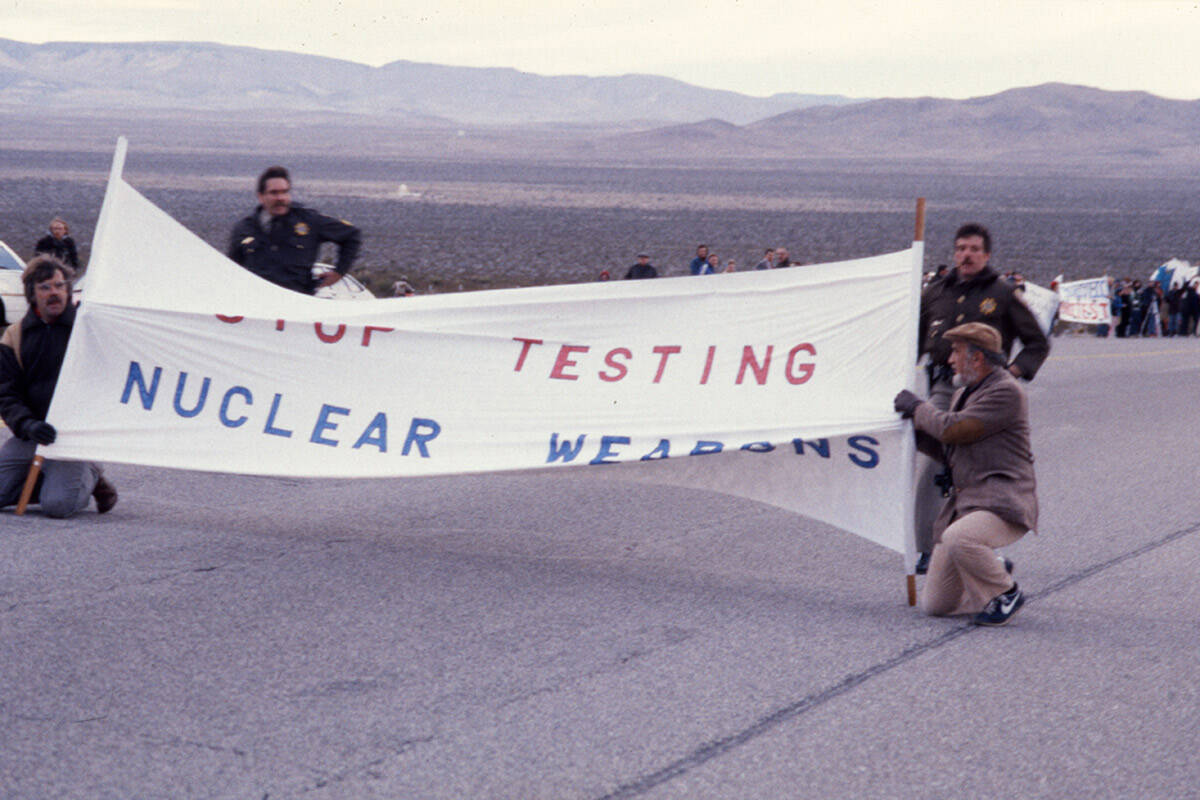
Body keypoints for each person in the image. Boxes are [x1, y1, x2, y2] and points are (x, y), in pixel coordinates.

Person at [913, 223, 1048, 574]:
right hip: (943, 386)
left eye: (973, 249)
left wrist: (1012, 375)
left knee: (969, 466)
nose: (966, 255)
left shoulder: (1001, 293)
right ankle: (930, 549)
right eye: (960, 248)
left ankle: (969, 548)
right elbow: (912, 339)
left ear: (986, 255)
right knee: (935, 463)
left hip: (984, 392)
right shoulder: (936, 291)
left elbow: (1037, 342)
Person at [894, 323, 1037, 626]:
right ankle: (989, 567)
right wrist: (912, 435)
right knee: (936, 605)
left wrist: (918, 408)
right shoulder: (965, 393)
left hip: (1002, 501)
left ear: (977, 359)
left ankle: (1005, 592)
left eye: (956, 352)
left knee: (959, 536)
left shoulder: (1006, 392)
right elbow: (950, 449)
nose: (949, 360)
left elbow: (955, 429)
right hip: (968, 503)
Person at [0, 256, 117, 517]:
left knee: (58, 506)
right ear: (32, 294)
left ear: (67, 289)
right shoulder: (15, 335)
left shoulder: (87, 329)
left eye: (59, 285)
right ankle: (45, 478)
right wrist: (28, 425)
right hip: (32, 433)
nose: (53, 292)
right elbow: (6, 394)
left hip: (73, 437)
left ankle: (92, 475)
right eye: (44, 287)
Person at [227, 166, 362, 295]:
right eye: (274, 193)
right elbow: (232, 270)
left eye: (285, 192)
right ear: (261, 196)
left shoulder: (309, 221)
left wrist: (339, 273)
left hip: (298, 303)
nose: (281, 198)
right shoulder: (245, 229)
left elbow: (352, 234)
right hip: (258, 305)